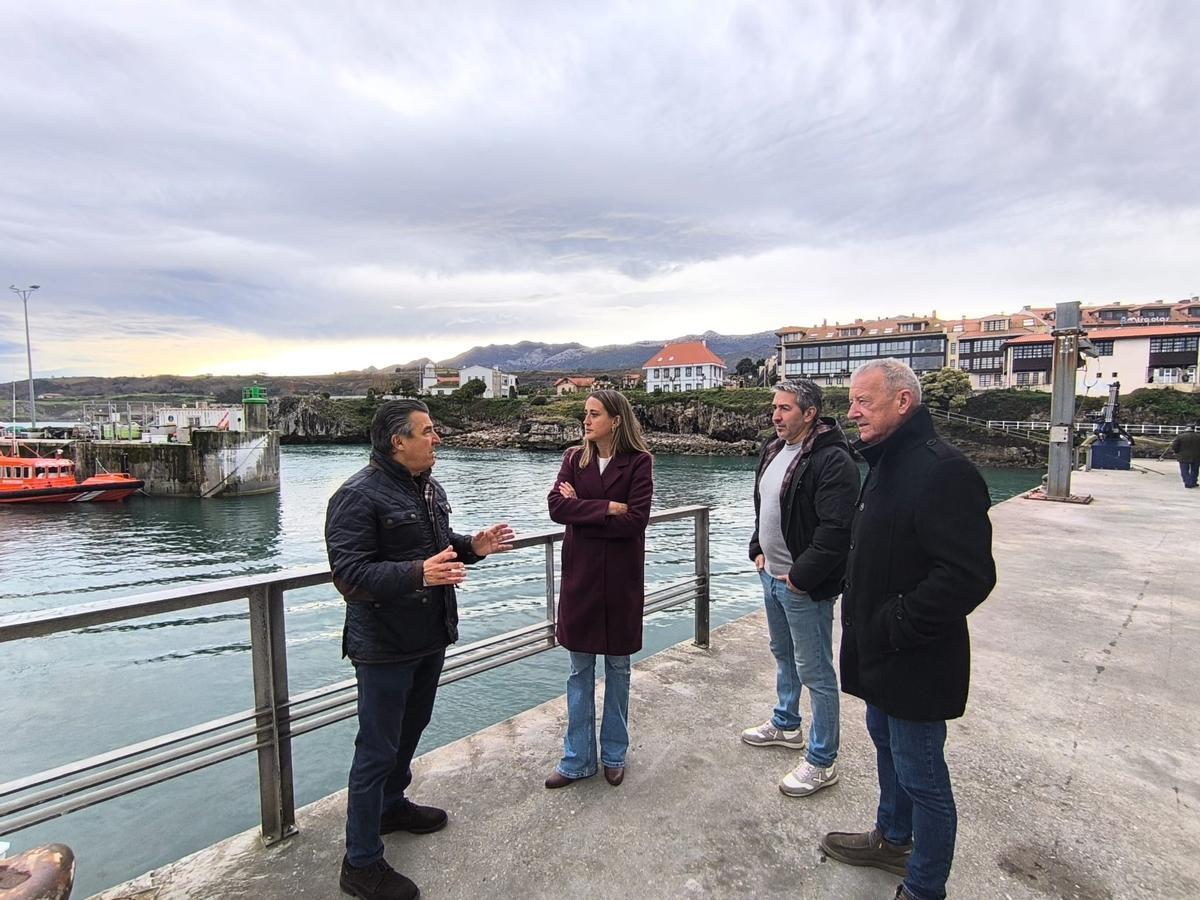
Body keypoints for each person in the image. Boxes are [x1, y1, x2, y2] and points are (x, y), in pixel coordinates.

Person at [820, 359, 995, 900]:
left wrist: (894, 623)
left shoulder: (944, 470)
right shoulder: (886, 464)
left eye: (863, 401)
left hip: (915, 658)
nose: (851, 412)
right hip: (879, 654)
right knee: (887, 749)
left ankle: (923, 887)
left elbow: (968, 576)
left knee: (923, 775)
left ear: (902, 402)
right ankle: (893, 839)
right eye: (851, 401)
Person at [325, 400, 515, 900]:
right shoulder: (355, 496)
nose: (437, 439)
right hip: (384, 646)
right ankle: (360, 861)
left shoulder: (429, 487)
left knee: (411, 729)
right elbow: (350, 576)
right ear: (397, 442)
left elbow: (439, 544)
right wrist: (418, 573)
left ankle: (392, 805)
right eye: (427, 432)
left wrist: (474, 544)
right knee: (376, 750)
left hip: (429, 635)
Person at [742, 379, 859, 797]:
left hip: (802, 586)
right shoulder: (773, 450)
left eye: (786, 409)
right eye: (775, 407)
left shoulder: (833, 460)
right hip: (771, 575)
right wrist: (758, 549)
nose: (776, 415)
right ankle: (786, 723)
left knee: (817, 671)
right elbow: (765, 506)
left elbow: (835, 530)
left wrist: (800, 577)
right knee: (783, 654)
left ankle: (822, 759)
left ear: (810, 414)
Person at [545, 389, 653, 789]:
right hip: (582, 581)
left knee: (619, 670)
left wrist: (583, 507)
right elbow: (557, 508)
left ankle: (613, 754)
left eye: (593, 414)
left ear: (615, 419)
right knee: (578, 671)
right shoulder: (573, 458)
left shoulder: (640, 462)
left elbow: (636, 521)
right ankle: (576, 759)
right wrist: (607, 506)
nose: (585, 421)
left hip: (621, 583)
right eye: (584, 414)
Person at [1170, 423, 1200, 488]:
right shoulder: (1198, 436)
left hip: (1183, 456)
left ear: (1186, 428)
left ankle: (1188, 483)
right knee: (1195, 470)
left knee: (1184, 470)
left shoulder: (1180, 436)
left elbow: (1174, 446)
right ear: (1194, 429)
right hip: (1197, 456)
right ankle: (1193, 482)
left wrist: (1176, 452)